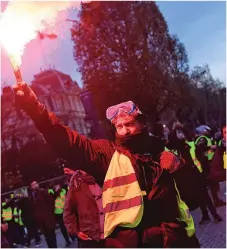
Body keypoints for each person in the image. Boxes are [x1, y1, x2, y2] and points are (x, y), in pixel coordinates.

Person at [14, 83, 195, 247]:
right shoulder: (107, 154)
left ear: (142, 123)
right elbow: (68, 142)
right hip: (135, 243)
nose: (124, 130)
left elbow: (193, 196)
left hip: (175, 240)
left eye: (130, 124)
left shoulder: (162, 152)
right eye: (119, 126)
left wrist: (180, 168)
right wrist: (34, 108)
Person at [167, 122, 222, 225]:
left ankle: (214, 215)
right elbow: (171, 141)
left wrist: (181, 127)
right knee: (199, 195)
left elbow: (202, 152)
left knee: (204, 195)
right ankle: (206, 215)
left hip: (196, 173)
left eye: (181, 133)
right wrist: (174, 129)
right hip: (188, 175)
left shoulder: (190, 144)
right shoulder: (177, 148)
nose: (181, 135)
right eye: (178, 133)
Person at [63, 168, 105, 248]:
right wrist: (76, 232)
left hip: (108, 234)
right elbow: (68, 214)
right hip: (90, 238)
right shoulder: (76, 186)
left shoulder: (102, 179)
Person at [195, 126, 225, 207]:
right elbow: (202, 152)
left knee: (214, 183)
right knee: (212, 184)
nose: (207, 131)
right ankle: (216, 201)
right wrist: (212, 149)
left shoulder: (205, 138)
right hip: (207, 164)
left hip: (210, 163)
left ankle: (217, 201)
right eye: (206, 130)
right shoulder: (202, 139)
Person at [30, 180, 57, 248]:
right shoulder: (32, 197)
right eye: (33, 185)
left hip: (48, 218)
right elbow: (33, 209)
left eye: (36, 183)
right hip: (41, 221)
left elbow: (51, 202)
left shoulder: (43, 191)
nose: (35, 185)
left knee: (52, 236)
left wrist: (50, 214)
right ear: (31, 187)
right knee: (47, 238)